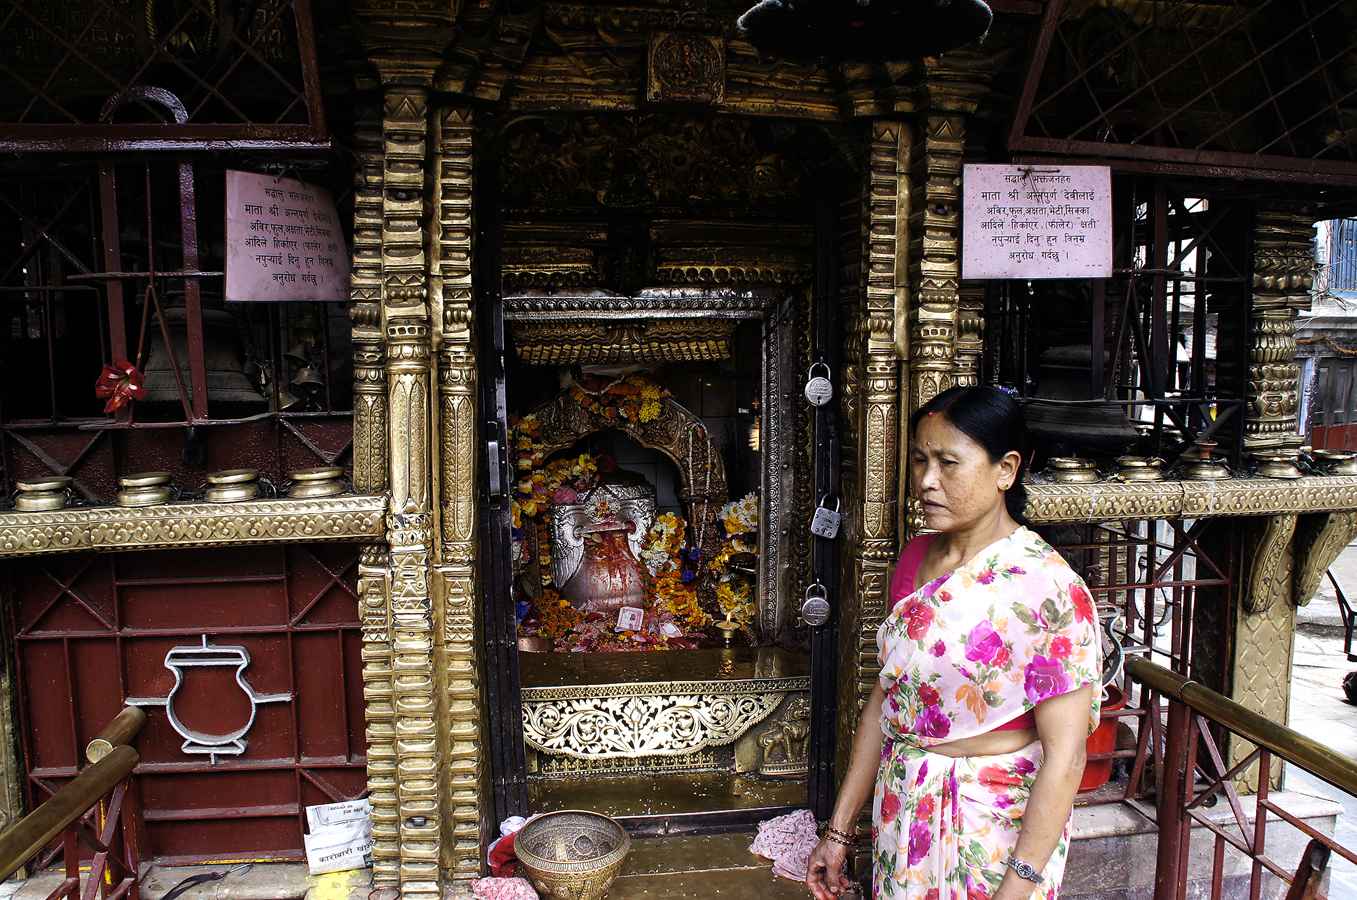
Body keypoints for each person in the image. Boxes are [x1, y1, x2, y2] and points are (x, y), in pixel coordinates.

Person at [805, 386, 1101, 899]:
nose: (926, 481)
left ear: (1006, 470)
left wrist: (1018, 886)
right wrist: (839, 831)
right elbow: (886, 700)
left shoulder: (1046, 587)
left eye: (948, 463)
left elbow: (1067, 757)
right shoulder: (916, 558)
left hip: (990, 831)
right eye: (920, 460)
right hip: (905, 813)